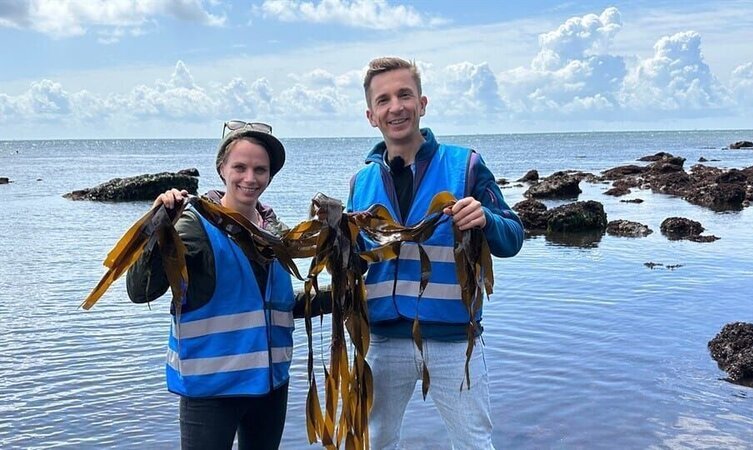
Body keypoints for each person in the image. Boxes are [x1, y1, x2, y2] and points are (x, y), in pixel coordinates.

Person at [347, 57, 524, 449]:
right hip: (381, 339)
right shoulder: (360, 181)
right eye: (384, 99)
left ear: (422, 103)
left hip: (453, 339)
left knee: (474, 443)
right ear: (371, 115)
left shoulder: (467, 166)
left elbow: (512, 238)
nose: (396, 107)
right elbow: (355, 262)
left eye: (404, 95)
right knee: (374, 442)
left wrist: (486, 219)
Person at [126, 120, 320, 450]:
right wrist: (159, 226)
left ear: (270, 174)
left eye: (260, 169)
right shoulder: (194, 223)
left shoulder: (273, 231)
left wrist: (348, 296)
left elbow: (274, 308)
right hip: (212, 390)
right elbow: (140, 290)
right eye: (240, 167)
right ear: (221, 169)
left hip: (270, 386)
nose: (250, 178)